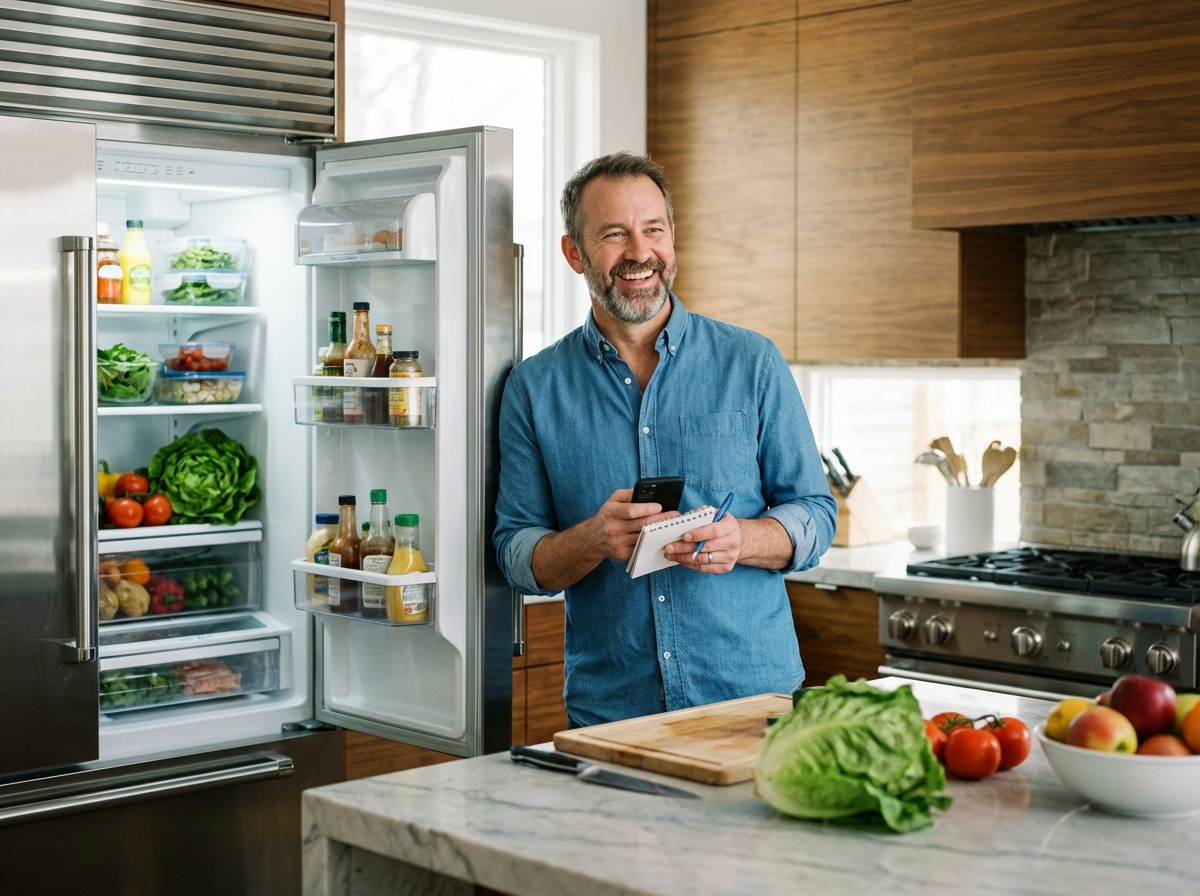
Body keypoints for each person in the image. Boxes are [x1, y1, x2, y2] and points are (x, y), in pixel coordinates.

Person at [493, 152, 837, 728]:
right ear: (574, 253)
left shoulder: (751, 362)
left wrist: (743, 539)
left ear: (672, 239)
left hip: (754, 704)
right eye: (613, 234)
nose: (639, 252)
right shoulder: (534, 387)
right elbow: (515, 554)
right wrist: (591, 540)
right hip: (614, 713)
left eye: (654, 229)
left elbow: (816, 514)